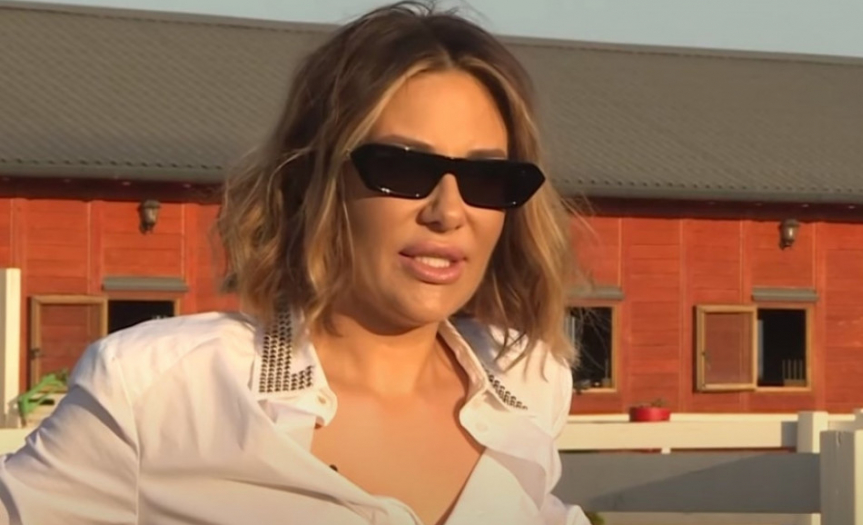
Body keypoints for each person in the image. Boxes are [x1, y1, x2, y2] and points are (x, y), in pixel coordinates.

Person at [0, 2, 591, 524]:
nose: (449, 211)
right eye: (403, 168)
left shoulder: (530, 382)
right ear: (314, 178)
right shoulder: (159, 391)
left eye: (489, 177)